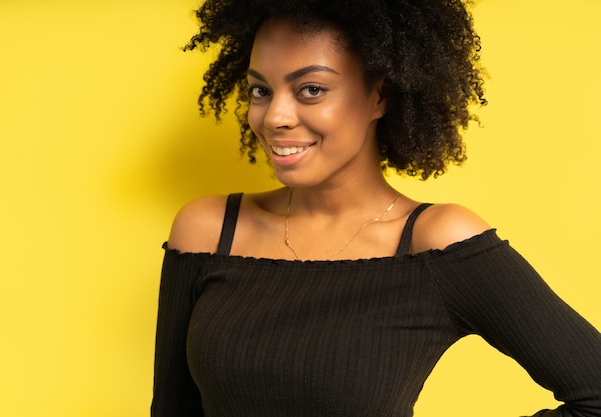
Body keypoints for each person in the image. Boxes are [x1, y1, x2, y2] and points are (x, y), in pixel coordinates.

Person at [151, 0, 601, 416]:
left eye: (310, 89)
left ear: (379, 96)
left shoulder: (435, 242)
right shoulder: (208, 230)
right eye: (260, 90)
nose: (274, 117)